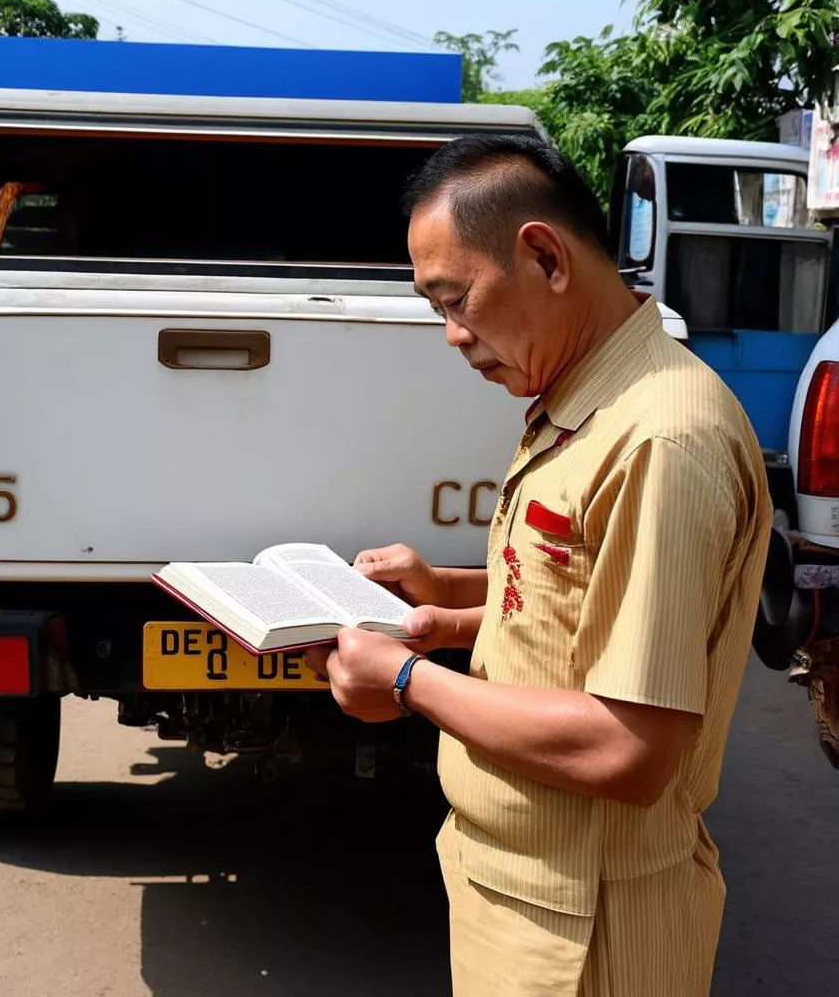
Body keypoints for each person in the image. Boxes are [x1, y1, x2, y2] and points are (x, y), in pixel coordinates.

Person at [304, 135, 771, 997]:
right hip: (524, 894)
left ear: (546, 256)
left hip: (585, 927)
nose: (451, 335)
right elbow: (586, 595)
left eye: (456, 300)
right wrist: (444, 599)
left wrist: (407, 680)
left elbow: (627, 748)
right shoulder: (585, 396)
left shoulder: (660, 439)